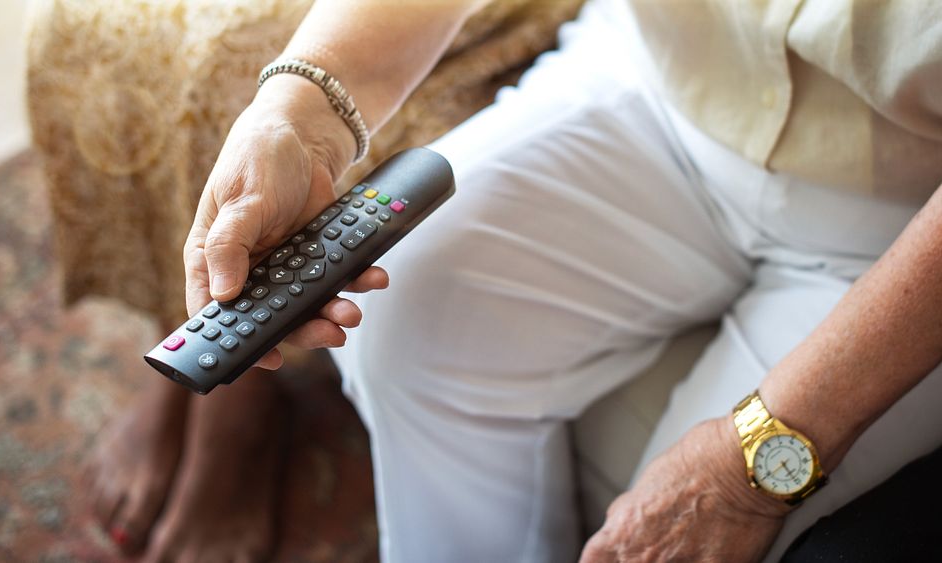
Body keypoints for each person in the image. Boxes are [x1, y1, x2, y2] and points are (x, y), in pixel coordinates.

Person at [181, 0, 942, 561]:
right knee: (404, 312)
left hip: (895, 218)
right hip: (661, 89)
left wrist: (743, 476)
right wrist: (298, 111)